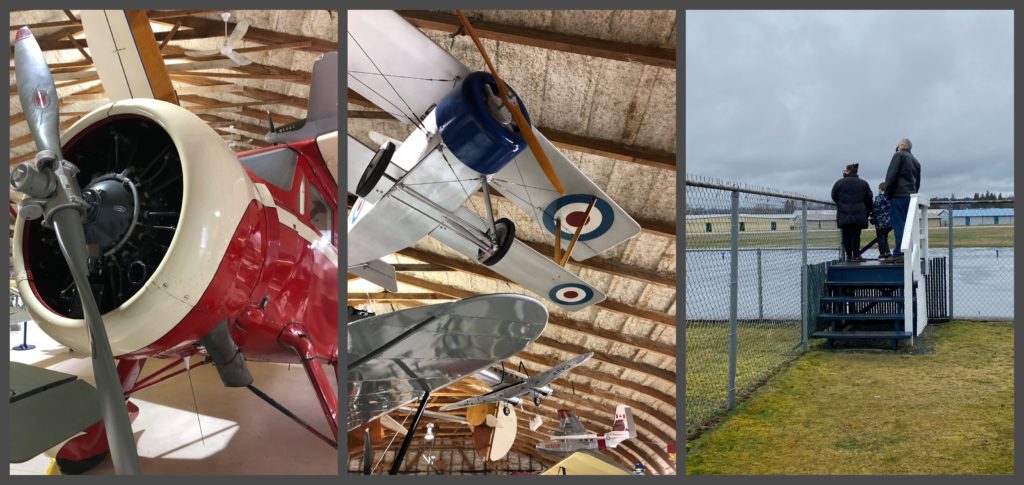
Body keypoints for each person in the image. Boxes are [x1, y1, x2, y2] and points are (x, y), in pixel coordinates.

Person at [883, 138, 921, 263]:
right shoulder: (916, 162)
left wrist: (887, 193)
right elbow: (917, 182)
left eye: (898, 144)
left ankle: (899, 253)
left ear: (903, 145)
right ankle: (906, 252)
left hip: (898, 195)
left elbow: (891, 175)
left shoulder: (898, 155)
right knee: (907, 226)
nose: (896, 146)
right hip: (910, 196)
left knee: (899, 225)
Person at [831, 163, 873, 262]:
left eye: (845, 170)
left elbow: (834, 196)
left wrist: (842, 203)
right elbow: (869, 198)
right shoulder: (864, 183)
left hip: (843, 212)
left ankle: (849, 255)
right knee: (856, 235)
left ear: (848, 171)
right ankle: (856, 255)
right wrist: (868, 211)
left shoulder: (839, 183)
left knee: (845, 235)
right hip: (859, 213)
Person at [870, 182, 893, 259]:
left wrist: (872, 219)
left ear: (880, 189)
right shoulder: (890, 198)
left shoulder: (878, 198)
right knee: (885, 237)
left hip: (880, 222)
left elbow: (875, 210)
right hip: (889, 222)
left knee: (881, 237)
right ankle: (888, 252)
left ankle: (883, 253)